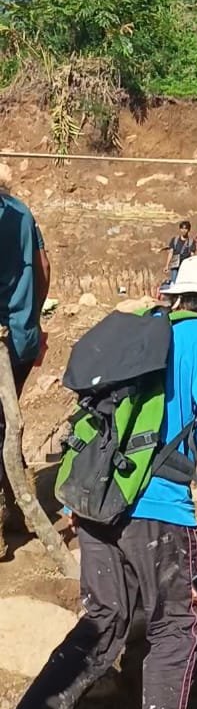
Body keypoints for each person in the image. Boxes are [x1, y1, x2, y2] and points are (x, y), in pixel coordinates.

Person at [0, 256, 197, 709]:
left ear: (177, 295)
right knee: (175, 621)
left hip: (100, 498)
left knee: (103, 621)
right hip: (159, 506)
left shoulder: (142, 327)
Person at [0, 173, 51, 548]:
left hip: (9, 336)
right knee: (6, 422)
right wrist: (30, 317)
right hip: (20, 336)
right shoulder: (22, 212)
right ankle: (19, 510)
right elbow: (44, 268)